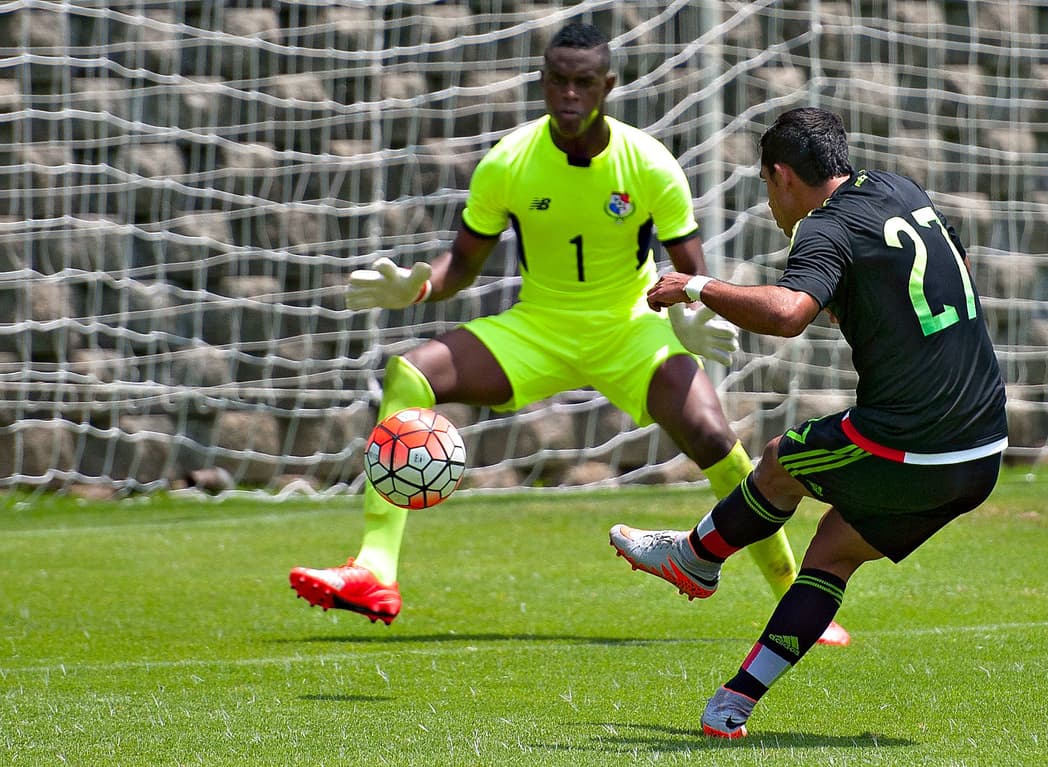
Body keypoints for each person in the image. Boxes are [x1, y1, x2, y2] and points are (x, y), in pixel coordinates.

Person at [289, 23, 848, 646]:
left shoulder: (648, 163)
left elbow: (693, 272)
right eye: (558, 80)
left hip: (630, 329)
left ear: (607, 86)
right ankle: (374, 569)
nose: (570, 94)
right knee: (410, 373)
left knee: (715, 434)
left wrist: (692, 317)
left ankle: (797, 600)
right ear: (543, 81)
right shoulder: (509, 161)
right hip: (539, 328)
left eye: (584, 82)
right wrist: (418, 288)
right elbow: (460, 267)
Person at [610, 106, 1008, 738]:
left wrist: (696, 287)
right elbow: (936, 263)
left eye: (766, 186)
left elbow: (790, 312)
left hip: (913, 443)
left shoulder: (824, 228)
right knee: (833, 551)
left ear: (782, 175)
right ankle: (732, 703)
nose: (770, 201)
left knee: (781, 460)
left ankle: (696, 557)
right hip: (983, 451)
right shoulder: (898, 190)